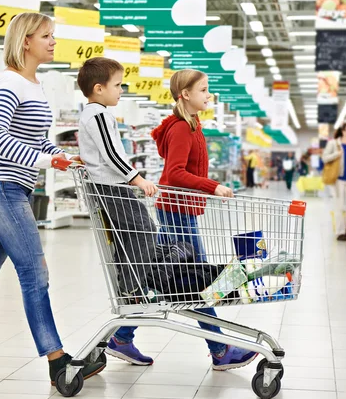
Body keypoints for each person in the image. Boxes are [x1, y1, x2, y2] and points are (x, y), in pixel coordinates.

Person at [0, 13, 105, 385]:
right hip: (0, 186)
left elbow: (30, 138)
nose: (53, 41)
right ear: (25, 41)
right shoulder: (9, 81)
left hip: (14, 186)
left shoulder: (34, 83)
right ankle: (58, 360)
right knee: (35, 272)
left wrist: (59, 155)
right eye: (47, 36)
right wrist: (45, 160)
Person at [148, 69, 258, 371]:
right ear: (185, 94)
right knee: (194, 280)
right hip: (176, 211)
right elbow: (174, 174)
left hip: (179, 210)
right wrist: (213, 186)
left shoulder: (190, 125)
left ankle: (122, 334)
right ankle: (221, 349)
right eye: (203, 90)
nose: (209, 95)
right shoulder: (182, 128)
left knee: (164, 278)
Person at [76, 57, 159, 366]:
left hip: (112, 187)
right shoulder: (98, 114)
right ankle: (132, 288)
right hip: (113, 188)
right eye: (118, 85)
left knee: (135, 234)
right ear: (99, 89)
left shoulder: (97, 113)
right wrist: (136, 178)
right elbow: (111, 153)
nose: (122, 90)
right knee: (146, 230)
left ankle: (132, 285)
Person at [322, 123, 346, 241]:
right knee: (338, 206)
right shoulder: (333, 143)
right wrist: (337, 154)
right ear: (343, 132)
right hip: (338, 178)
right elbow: (324, 157)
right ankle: (340, 232)